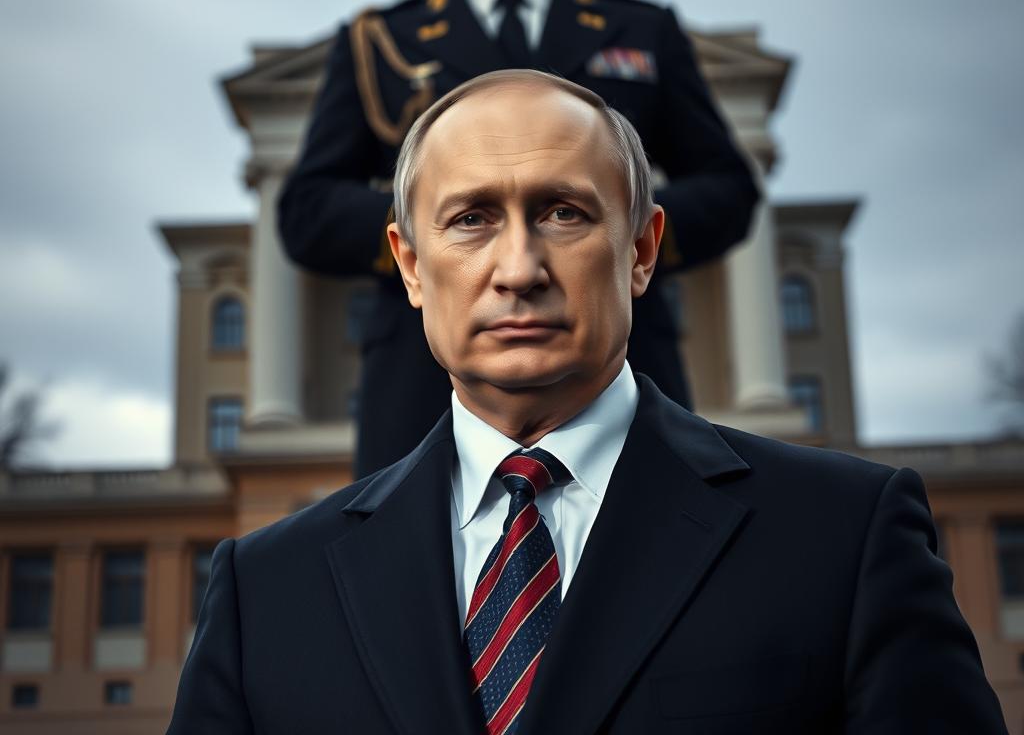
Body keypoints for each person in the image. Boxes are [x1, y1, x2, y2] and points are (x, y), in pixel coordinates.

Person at [169, 71, 1007, 734]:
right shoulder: (266, 589)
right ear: (411, 266)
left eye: (563, 213)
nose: (519, 268)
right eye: (470, 220)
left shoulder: (844, 536)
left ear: (642, 250)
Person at [277, 0, 760, 478]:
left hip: (623, 365)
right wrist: (446, 231)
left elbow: (728, 187)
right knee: (423, 585)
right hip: (426, 388)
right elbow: (307, 210)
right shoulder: (381, 42)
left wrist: (611, 236)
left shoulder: (642, 31)